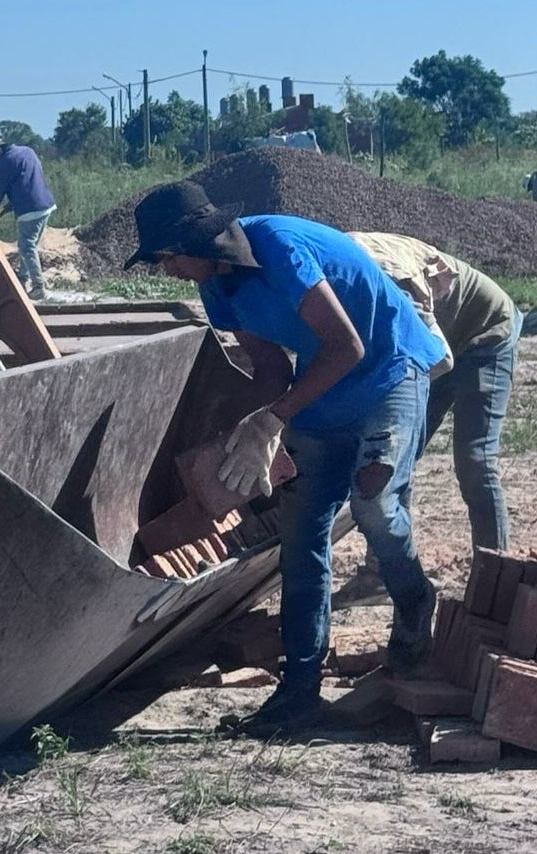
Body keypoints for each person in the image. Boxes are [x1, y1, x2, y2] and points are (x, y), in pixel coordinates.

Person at [123, 182, 445, 736]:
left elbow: (348, 346)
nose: (167, 270)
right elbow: (271, 369)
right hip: (321, 392)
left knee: (373, 504)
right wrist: (249, 429)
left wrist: (274, 420)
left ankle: (415, 597)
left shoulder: (280, 248)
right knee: (301, 537)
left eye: (167, 257)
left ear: (198, 242)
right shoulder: (216, 289)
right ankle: (299, 689)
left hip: (388, 372)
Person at [333, 232, 522, 609]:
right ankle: (380, 575)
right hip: (428, 343)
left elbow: (434, 358)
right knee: (393, 455)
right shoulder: (328, 276)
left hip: (483, 333)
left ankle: (496, 578)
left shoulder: (390, 276)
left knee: (475, 459)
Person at [0, 136, 56, 300]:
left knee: (26, 246)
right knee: (29, 245)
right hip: (46, 205)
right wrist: (14, 201)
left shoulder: (5, 162)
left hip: (30, 210)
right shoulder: (27, 151)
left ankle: (38, 287)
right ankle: (23, 280)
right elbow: (28, 177)